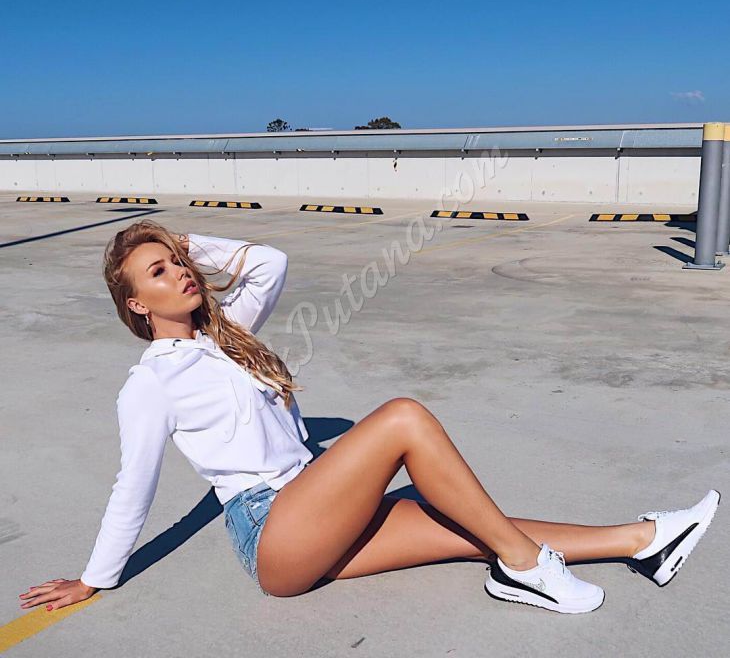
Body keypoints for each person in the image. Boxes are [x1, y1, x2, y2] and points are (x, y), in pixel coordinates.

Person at [18, 220, 720, 615]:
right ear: (135, 305)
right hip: (273, 533)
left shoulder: (229, 337)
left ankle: (644, 540)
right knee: (403, 418)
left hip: (314, 510)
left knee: (467, 527)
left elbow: (270, 262)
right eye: (159, 272)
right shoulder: (150, 383)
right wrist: (95, 577)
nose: (179, 273)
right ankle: (527, 568)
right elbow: (133, 485)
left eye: (178, 263)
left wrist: (180, 240)